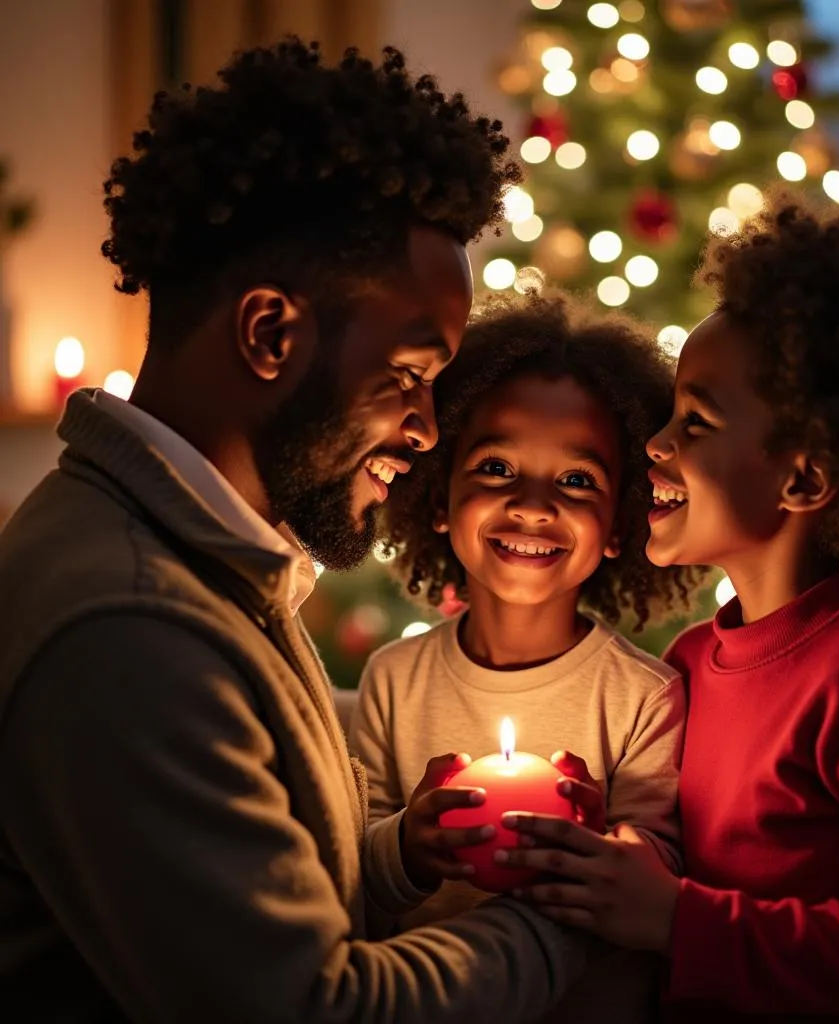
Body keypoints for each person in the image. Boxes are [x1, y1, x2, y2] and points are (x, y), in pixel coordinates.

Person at [0, 38, 596, 1023]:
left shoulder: (205, 561)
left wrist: (401, 853)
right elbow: (313, 1006)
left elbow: (270, 895)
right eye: (407, 375)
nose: (425, 431)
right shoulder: (129, 627)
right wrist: (566, 912)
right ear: (271, 334)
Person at [494, 194, 839, 1020]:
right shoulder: (691, 661)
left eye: (696, 423)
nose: (657, 446)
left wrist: (676, 918)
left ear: (803, 480)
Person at [350, 292, 700, 1021]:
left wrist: (600, 847)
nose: (533, 505)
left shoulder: (643, 695)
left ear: (617, 523)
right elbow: (355, 876)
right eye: (496, 467)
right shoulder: (393, 680)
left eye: (576, 480)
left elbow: (657, 868)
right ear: (439, 497)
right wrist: (409, 846)